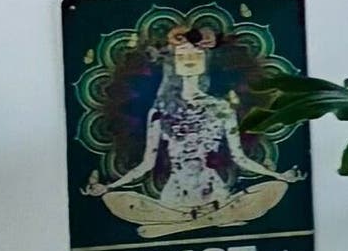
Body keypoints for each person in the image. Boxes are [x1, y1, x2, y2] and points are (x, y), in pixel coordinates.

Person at [89, 23, 295, 236]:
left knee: (275, 189)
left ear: (205, 60)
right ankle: (197, 220)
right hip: (175, 198)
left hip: (215, 194)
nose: (189, 58)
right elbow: (147, 164)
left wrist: (278, 175)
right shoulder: (160, 111)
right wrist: (110, 187)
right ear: (173, 62)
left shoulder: (221, 108)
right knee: (115, 201)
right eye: (182, 54)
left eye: (196, 53)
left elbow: (240, 158)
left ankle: (192, 222)